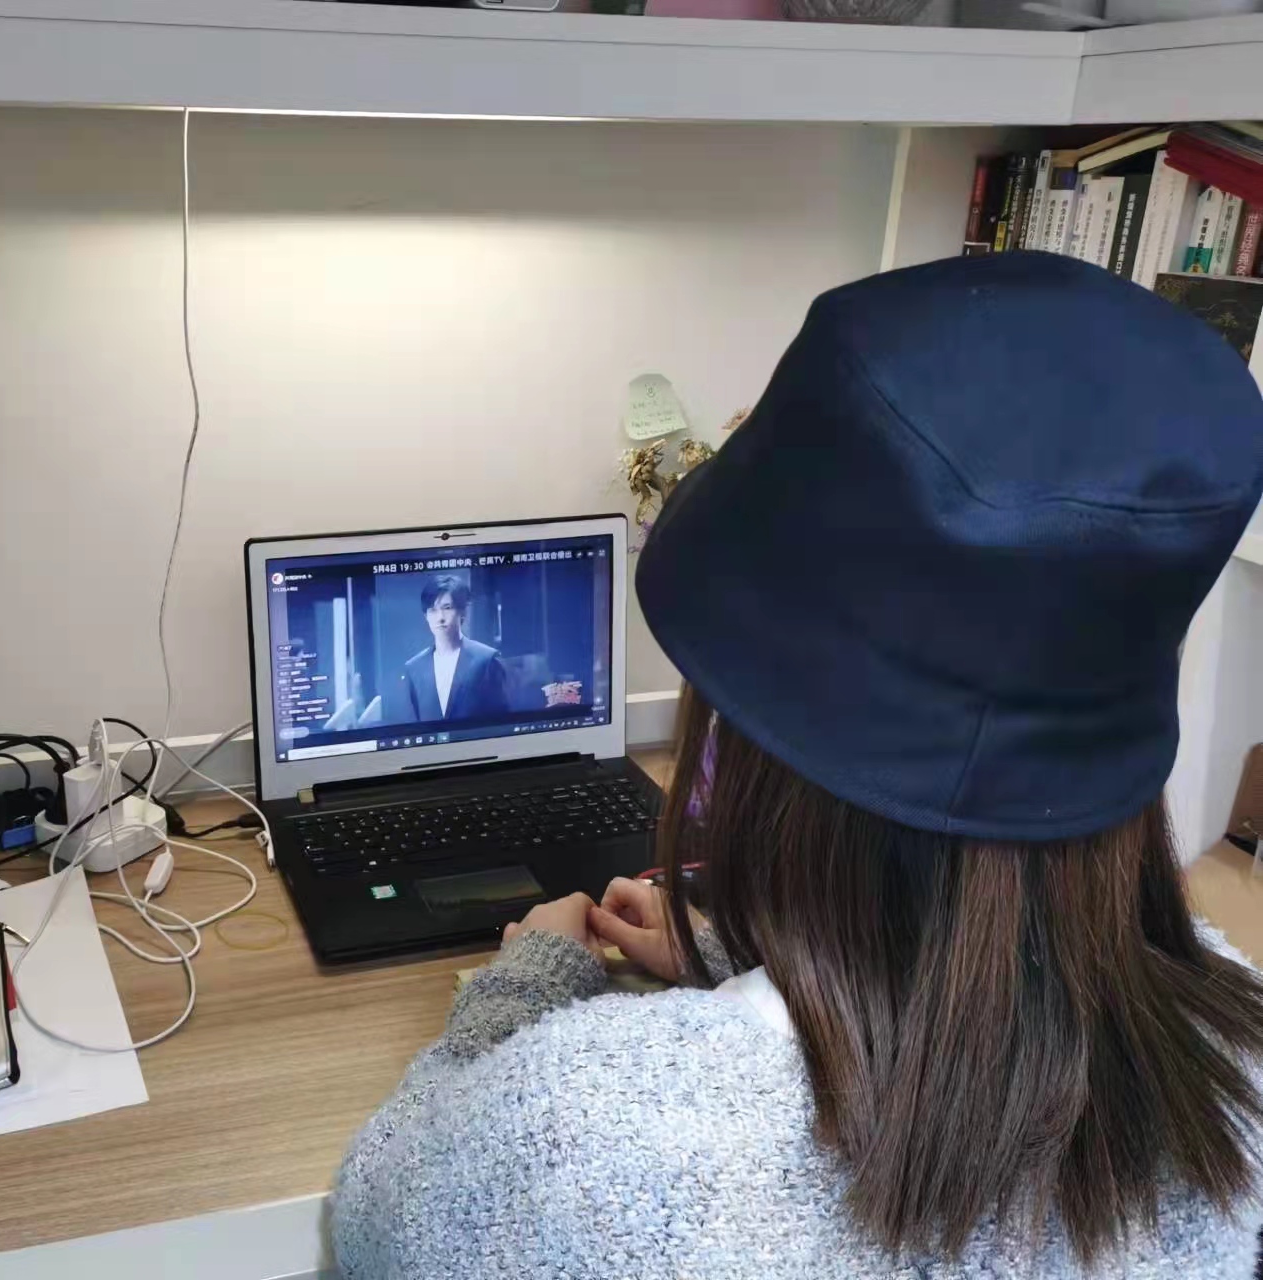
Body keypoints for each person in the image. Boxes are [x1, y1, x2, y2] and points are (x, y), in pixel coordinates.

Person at [330, 254, 1263, 1278]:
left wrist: (521, 989)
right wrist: (760, 958)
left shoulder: (585, 1133)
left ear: (748, 731)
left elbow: (378, 1217)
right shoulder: (1235, 1057)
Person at [391, 574, 510, 723]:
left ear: (462, 612)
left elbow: (502, 720)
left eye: (447, 608)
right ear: (426, 616)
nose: (440, 617)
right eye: (433, 610)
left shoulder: (486, 660)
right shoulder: (414, 668)